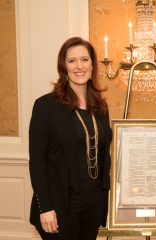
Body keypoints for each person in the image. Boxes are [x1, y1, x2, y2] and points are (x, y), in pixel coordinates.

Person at [29, 37, 112, 240]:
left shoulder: (100, 107)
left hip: (93, 203)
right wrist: (45, 207)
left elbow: (103, 156)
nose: (79, 66)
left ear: (92, 65)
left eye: (84, 59)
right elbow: (38, 162)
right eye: (72, 60)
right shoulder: (46, 106)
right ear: (63, 67)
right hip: (60, 205)